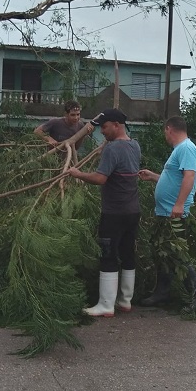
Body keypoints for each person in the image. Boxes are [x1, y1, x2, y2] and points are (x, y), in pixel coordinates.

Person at [68, 108, 140, 317]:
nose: (103, 132)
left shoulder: (113, 149)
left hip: (114, 212)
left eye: (105, 127)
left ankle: (106, 305)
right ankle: (125, 301)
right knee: (127, 253)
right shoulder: (135, 145)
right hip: (133, 211)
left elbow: (101, 178)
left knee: (108, 255)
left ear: (116, 125)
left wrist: (78, 173)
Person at [138, 116, 196, 313]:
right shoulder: (179, 150)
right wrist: (154, 177)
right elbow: (174, 179)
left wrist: (179, 205)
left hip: (174, 213)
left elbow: (189, 177)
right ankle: (162, 292)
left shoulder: (186, 148)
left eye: (164, 131)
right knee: (162, 252)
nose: (164, 135)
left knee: (177, 253)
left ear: (169, 129)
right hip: (165, 213)